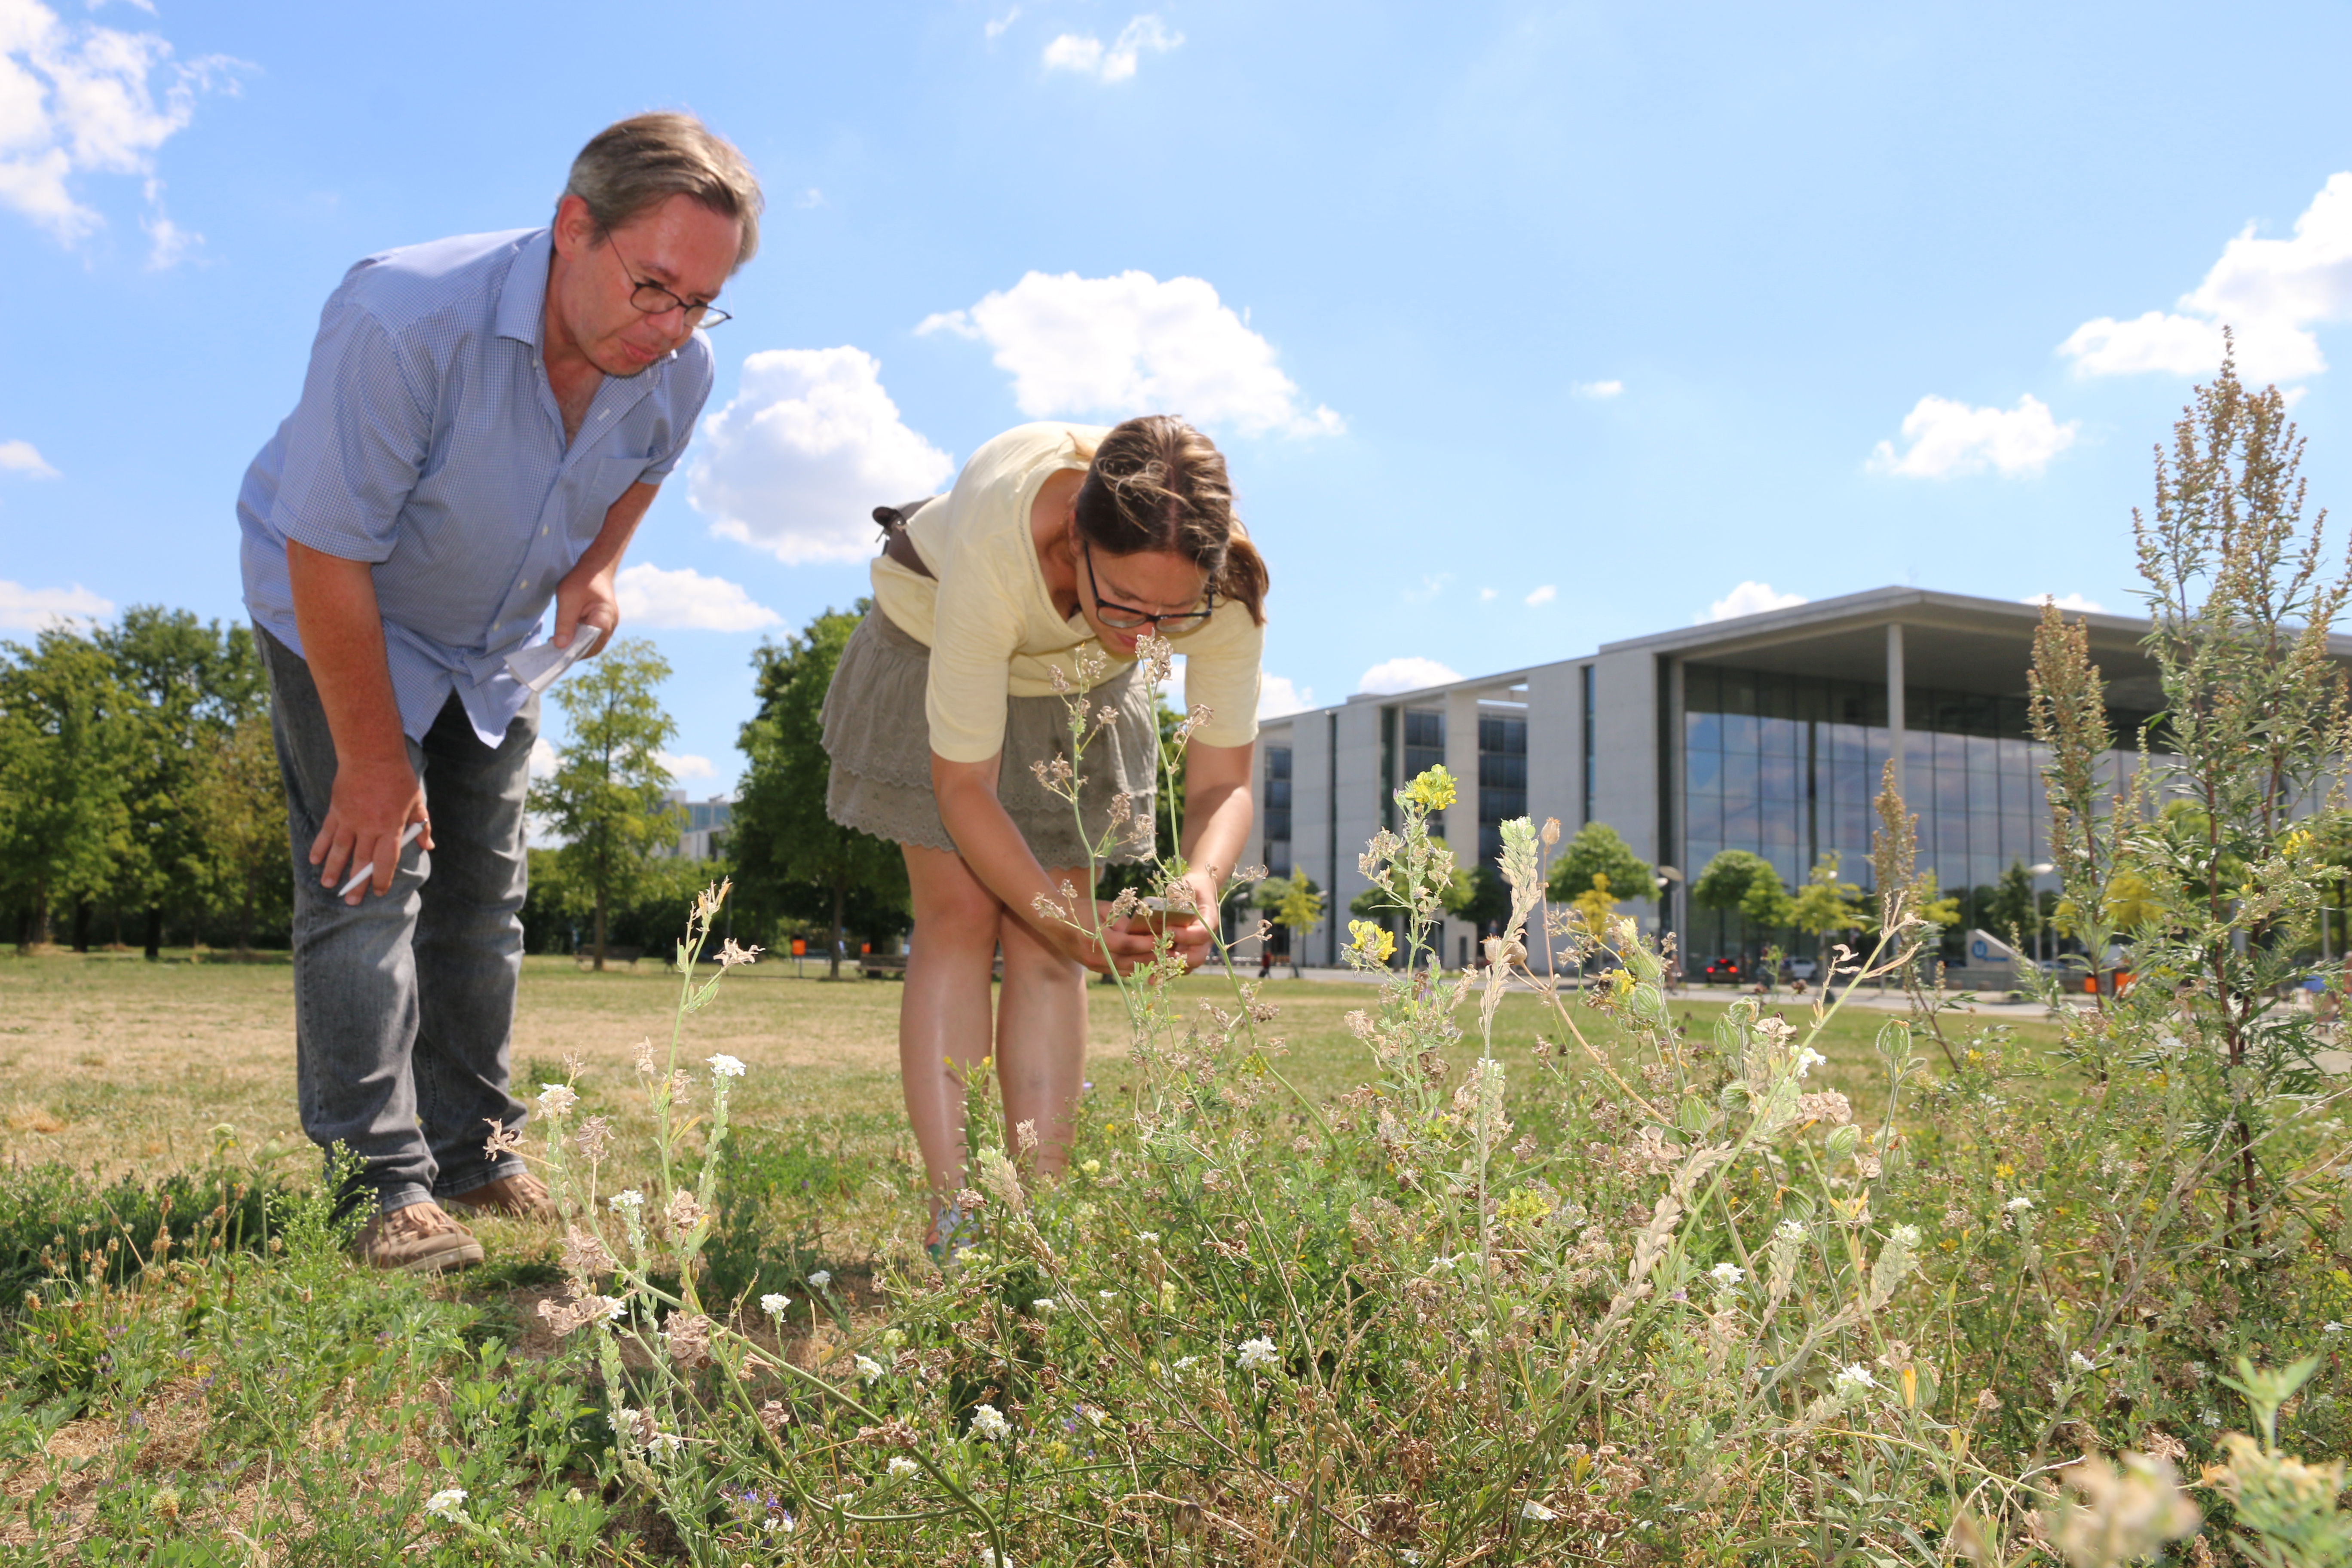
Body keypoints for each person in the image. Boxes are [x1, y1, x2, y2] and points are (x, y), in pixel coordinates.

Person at [237, 113, 763, 1273]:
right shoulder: (402, 319)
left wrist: (598, 563)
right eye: (653, 288)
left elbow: (650, 464)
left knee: (484, 902)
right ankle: (379, 1185)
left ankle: (473, 1155)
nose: (671, 329)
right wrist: (375, 762)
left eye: (700, 304)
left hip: (490, 643)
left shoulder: (680, 362)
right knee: (371, 878)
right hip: (346, 609)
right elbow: (321, 549)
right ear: (574, 227)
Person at [821, 417, 1266, 1250]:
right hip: (934, 645)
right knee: (961, 915)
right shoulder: (1001, 534)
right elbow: (964, 788)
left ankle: (1041, 1220)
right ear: (1073, 538)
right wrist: (1073, 929)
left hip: (1075, 686)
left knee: (1052, 940)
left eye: (1171, 617)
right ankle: (956, 1215)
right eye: (1126, 602)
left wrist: (1202, 879)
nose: (1145, 636)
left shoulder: (1222, 585)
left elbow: (1222, 782)